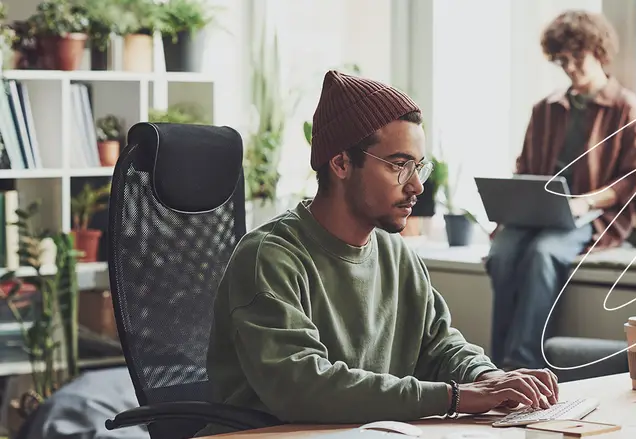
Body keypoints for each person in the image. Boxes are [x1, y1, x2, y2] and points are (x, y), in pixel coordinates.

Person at [198, 71, 559, 436]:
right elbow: (302, 388)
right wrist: (455, 397)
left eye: (418, 166)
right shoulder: (269, 257)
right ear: (340, 163)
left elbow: (438, 345)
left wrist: (491, 380)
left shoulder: (395, 253)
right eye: (399, 165)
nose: (417, 184)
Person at [486, 10, 636, 370]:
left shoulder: (624, 107)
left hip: (592, 215)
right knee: (501, 253)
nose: (571, 68)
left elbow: (633, 178)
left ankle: (523, 362)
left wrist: (584, 202)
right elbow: (525, 168)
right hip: (538, 211)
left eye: (578, 58)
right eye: (563, 60)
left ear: (598, 52)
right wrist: (512, 209)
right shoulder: (544, 109)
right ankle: (494, 366)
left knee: (543, 254)